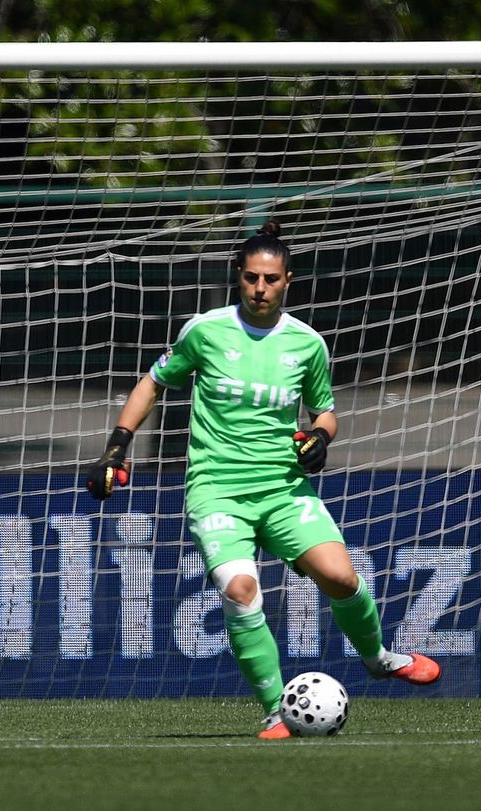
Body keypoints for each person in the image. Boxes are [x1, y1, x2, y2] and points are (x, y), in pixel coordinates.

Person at [86, 220, 440, 739]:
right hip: (217, 490)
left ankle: (379, 658)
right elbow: (152, 383)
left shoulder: (306, 344)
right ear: (238, 276)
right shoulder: (205, 331)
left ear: (287, 280)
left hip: (283, 488)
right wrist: (117, 445)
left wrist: (319, 437)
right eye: (251, 277)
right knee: (241, 590)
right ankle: (277, 710)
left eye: (271, 279)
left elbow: (325, 412)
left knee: (341, 578)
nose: (260, 288)